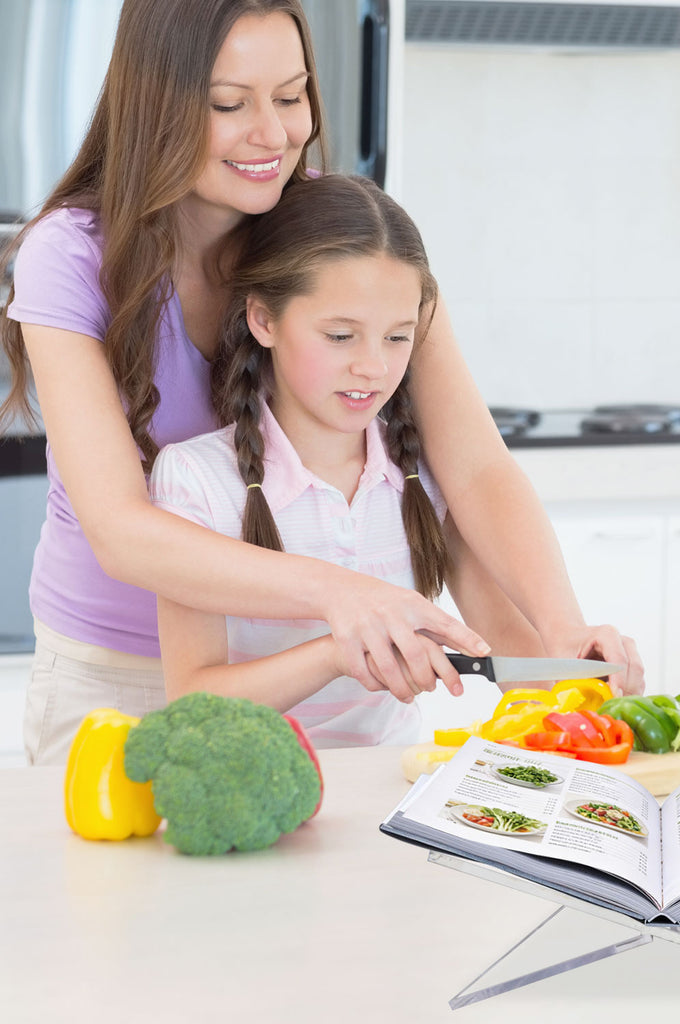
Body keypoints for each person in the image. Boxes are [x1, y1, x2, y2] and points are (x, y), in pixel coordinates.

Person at [0, 0, 643, 766]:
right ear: (157, 102)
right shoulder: (71, 254)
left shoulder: (328, 225)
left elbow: (473, 466)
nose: (272, 135)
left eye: (292, 95)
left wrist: (559, 633)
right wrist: (340, 592)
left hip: (318, 681)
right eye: (229, 104)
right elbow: (120, 528)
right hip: (118, 682)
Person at [153, 173, 528, 744]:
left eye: (397, 337)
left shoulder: (425, 473)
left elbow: (511, 646)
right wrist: (337, 651)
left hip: (393, 792)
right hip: (260, 795)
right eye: (340, 336)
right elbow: (193, 701)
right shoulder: (197, 480)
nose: (374, 367)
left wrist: (586, 663)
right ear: (264, 319)